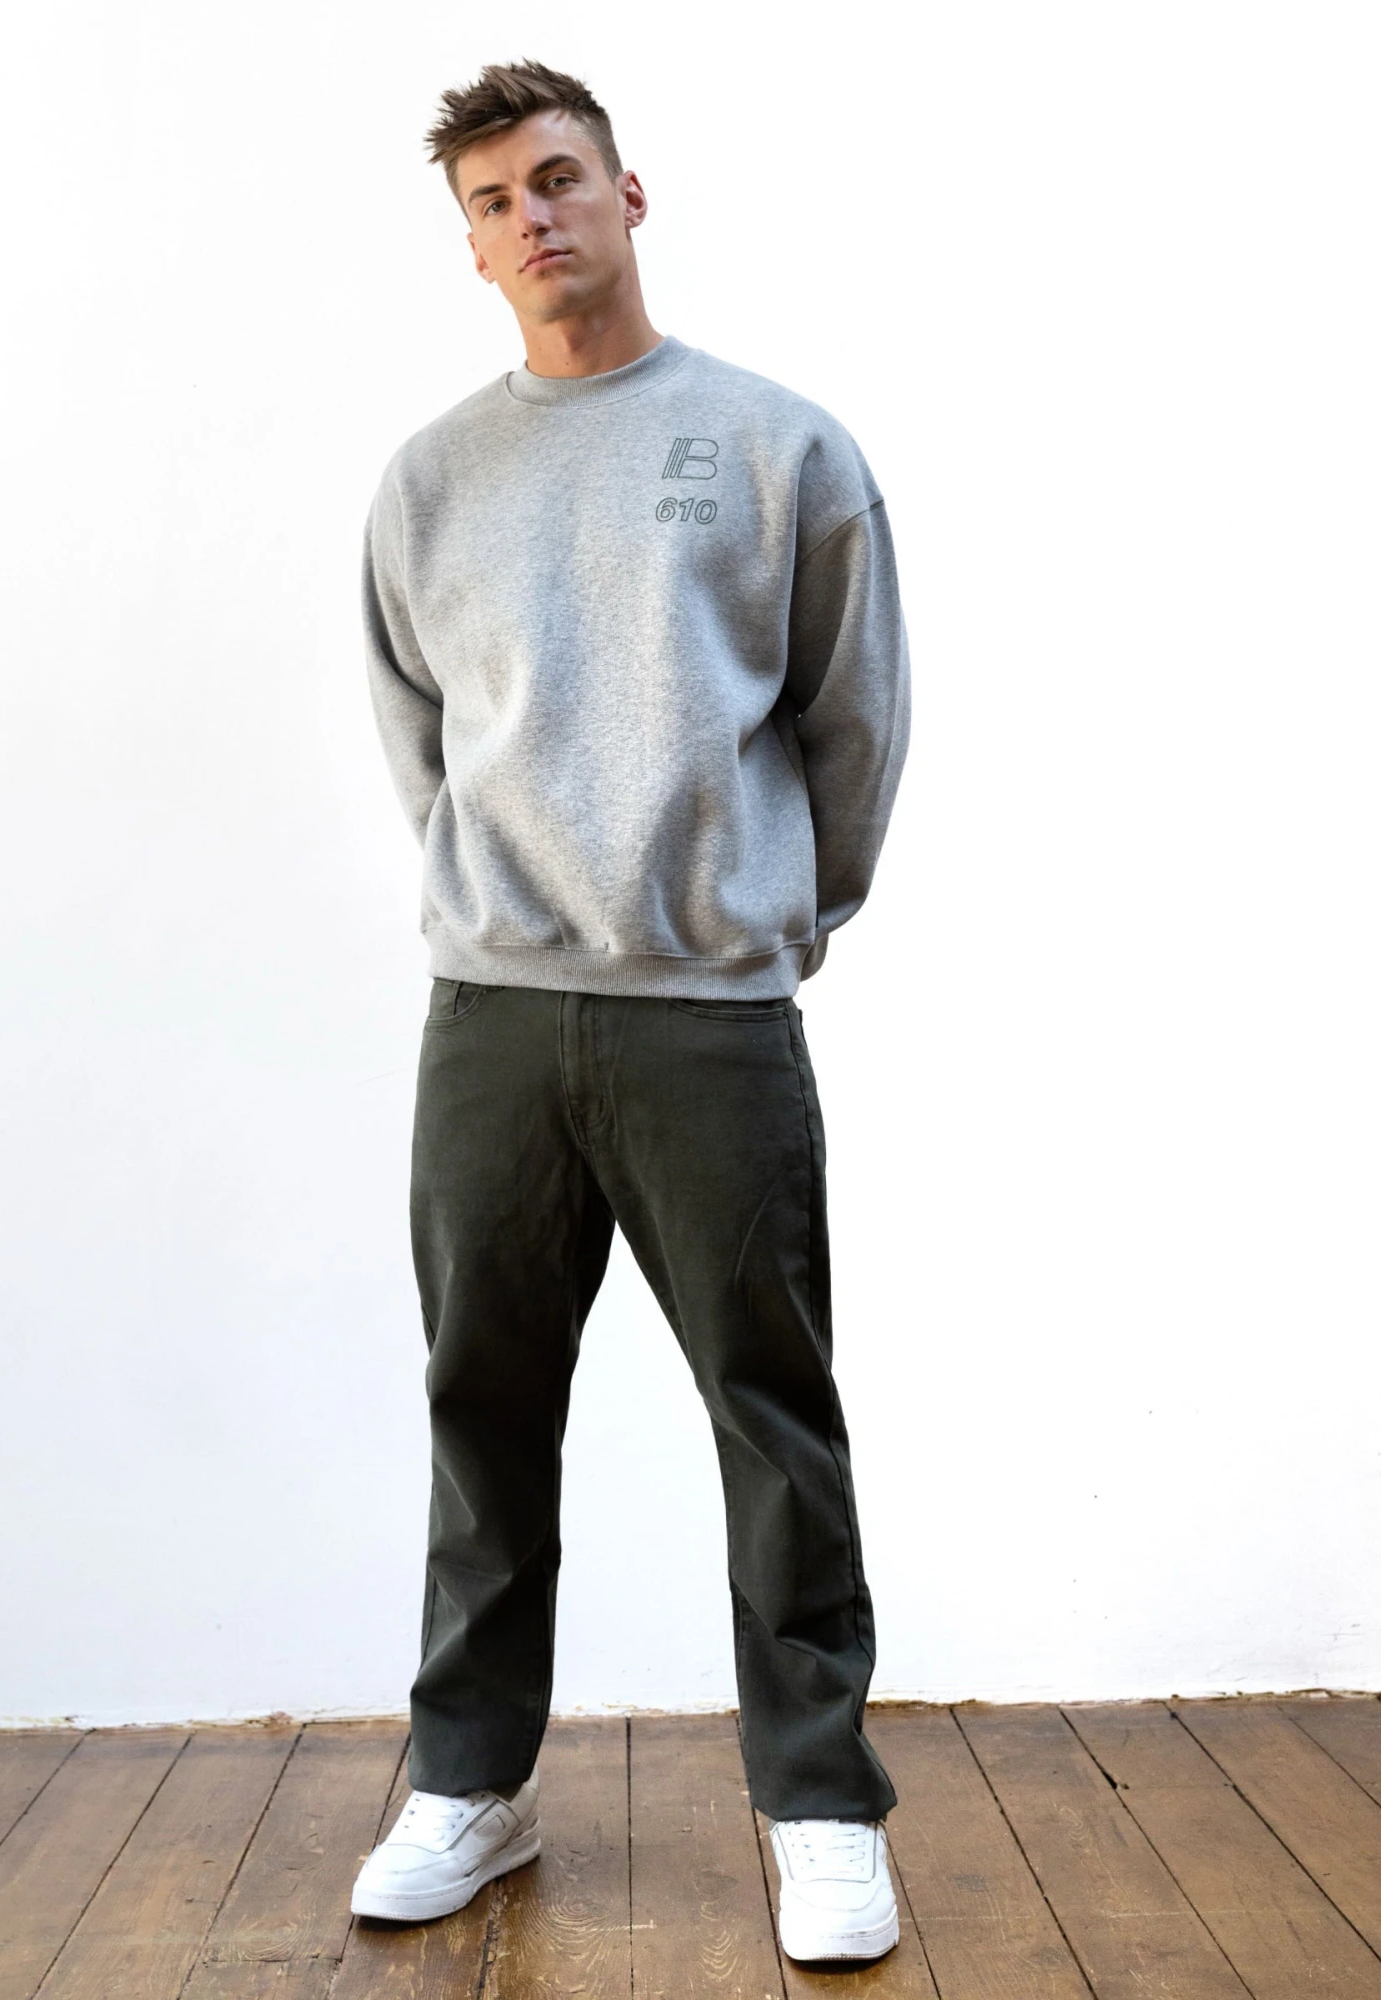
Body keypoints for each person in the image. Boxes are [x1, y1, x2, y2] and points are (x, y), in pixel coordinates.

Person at [349, 60, 911, 1966]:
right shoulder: (429, 481)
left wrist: (775, 923)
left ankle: (818, 1802)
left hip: (706, 1015)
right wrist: (499, 901)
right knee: (483, 1406)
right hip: (494, 1020)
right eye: (494, 202)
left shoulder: (775, 447)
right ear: (473, 246)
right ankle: (471, 1780)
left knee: (773, 1409)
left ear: (628, 194)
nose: (533, 218)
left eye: (558, 179)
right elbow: (420, 736)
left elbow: (854, 719)